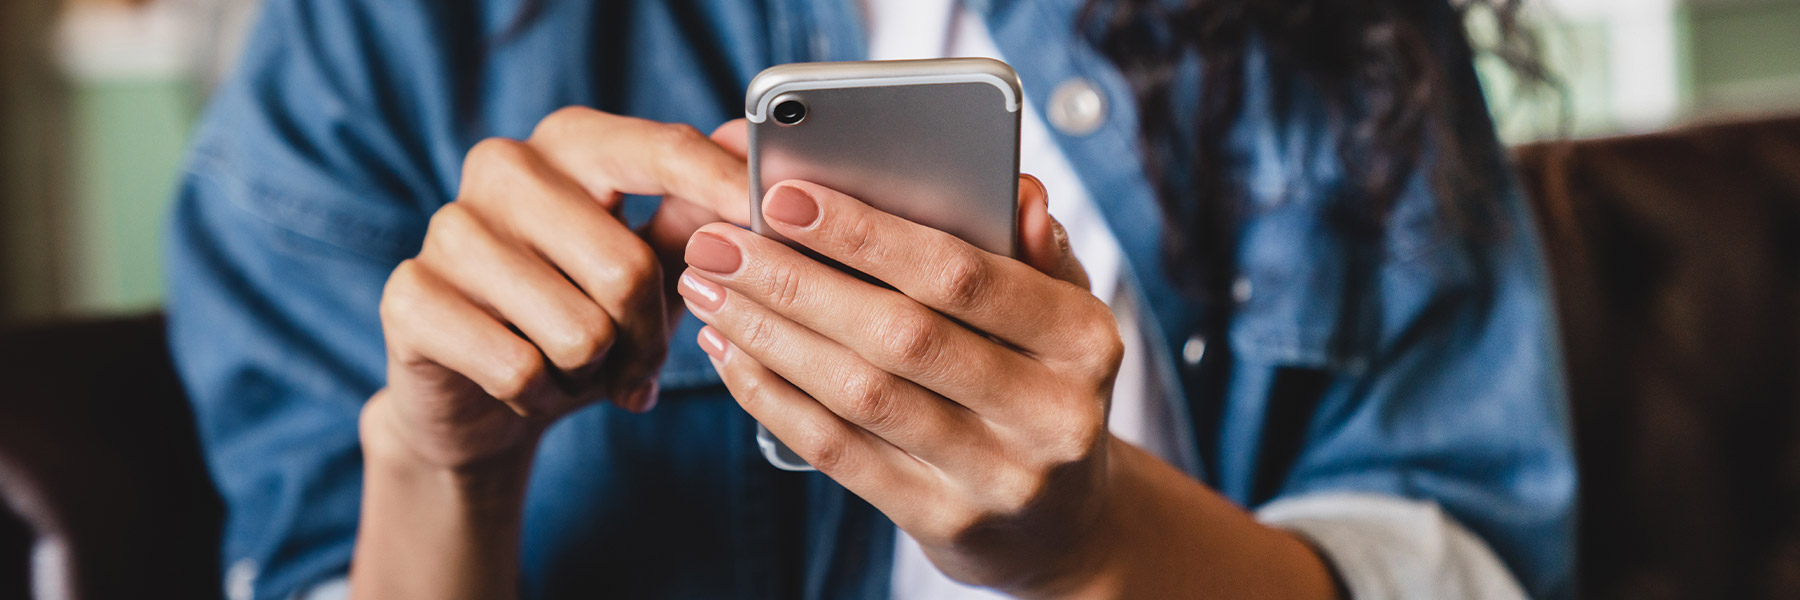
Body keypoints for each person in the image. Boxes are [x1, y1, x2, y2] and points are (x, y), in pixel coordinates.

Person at [164, 0, 1575, 598]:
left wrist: (1087, 547)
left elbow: (1456, 551)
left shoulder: (1327, 27)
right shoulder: (387, 37)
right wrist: (436, 464)